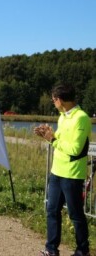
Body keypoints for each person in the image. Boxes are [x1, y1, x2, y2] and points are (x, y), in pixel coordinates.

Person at [34, 84, 91, 256]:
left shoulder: (81, 118)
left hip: (72, 174)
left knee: (75, 214)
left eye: (53, 99)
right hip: (56, 171)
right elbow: (59, 140)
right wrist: (47, 134)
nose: (53, 103)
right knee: (52, 210)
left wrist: (53, 140)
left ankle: (83, 251)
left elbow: (75, 149)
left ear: (60, 100)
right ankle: (51, 249)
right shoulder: (62, 117)